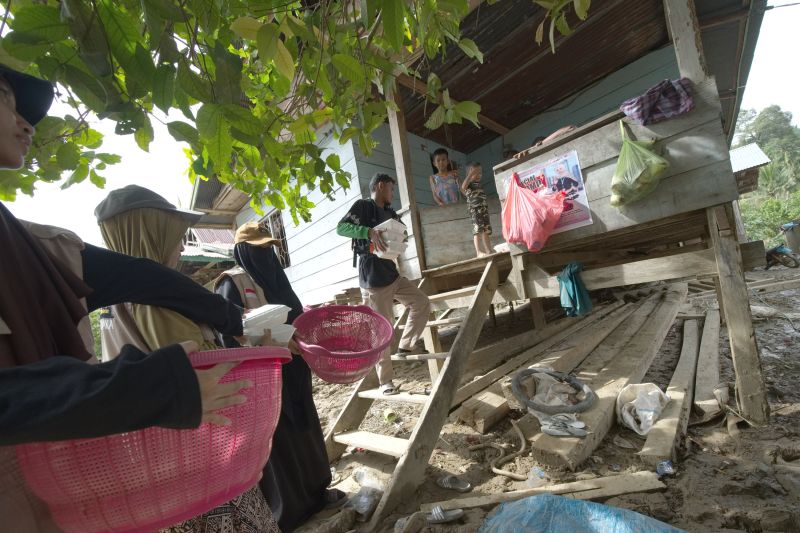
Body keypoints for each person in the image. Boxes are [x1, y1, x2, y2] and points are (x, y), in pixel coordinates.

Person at [0, 64, 252, 531]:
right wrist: (153, 387)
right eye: (4, 100)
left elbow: (142, 275)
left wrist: (238, 319)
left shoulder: (35, 245)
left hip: (58, 493)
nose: (26, 123)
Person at [95, 187, 279, 532]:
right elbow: (207, 377)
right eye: (174, 237)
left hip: (157, 466)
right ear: (152, 233)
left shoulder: (112, 299)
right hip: (199, 466)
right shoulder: (154, 301)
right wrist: (261, 349)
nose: (180, 247)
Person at [215, 222, 346, 531]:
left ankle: (317, 492)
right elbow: (226, 335)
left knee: (305, 427)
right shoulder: (231, 283)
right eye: (258, 250)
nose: (266, 255)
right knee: (279, 440)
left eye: (268, 249)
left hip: (295, 369)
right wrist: (266, 341)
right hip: (263, 374)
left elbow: (297, 315)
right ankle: (290, 509)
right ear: (243, 252)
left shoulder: (278, 278)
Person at [337, 173, 431, 395]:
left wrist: (402, 239)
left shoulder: (390, 213)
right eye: (390, 189)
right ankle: (385, 381)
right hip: (372, 278)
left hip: (392, 273)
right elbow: (341, 228)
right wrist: (367, 231)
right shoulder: (363, 206)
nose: (392, 193)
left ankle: (405, 346)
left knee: (421, 302)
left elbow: (401, 234)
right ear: (380, 186)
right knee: (382, 330)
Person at [459, 162, 493, 257]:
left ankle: (488, 250)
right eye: (475, 173)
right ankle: (478, 252)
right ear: (469, 174)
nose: (478, 175)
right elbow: (462, 187)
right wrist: (470, 175)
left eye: (480, 173)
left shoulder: (478, 184)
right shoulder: (469, 184)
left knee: (485, 230)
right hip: (475, 210)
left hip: (483, 210)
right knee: (477, 230)